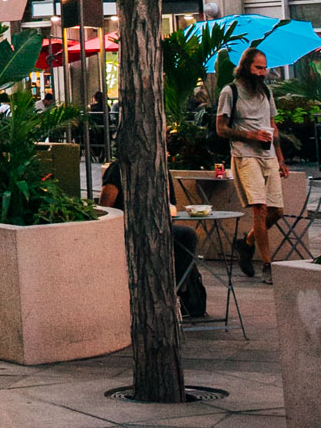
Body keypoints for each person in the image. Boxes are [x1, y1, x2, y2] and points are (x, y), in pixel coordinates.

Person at [216, 47, 290, 284]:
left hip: (267, 156)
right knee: (260, 208)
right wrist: (251, 136)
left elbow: (273, 125)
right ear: (246, 66)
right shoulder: (230, 92)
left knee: (276, 210)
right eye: (258, 67)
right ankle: (267, 264)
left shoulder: (265, 92)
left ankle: (246, 243)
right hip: (244, 155)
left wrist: (280, 157)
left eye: (264, 67)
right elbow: (221, 129)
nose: (262, 72)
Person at [99, 161, 205, 317]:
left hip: (156, 228)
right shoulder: (118, 167)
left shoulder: (161, 167)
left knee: (186, 236)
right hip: (126, 228)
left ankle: (177, 290)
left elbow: (171, 207)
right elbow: (106, 205)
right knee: (182, 236)